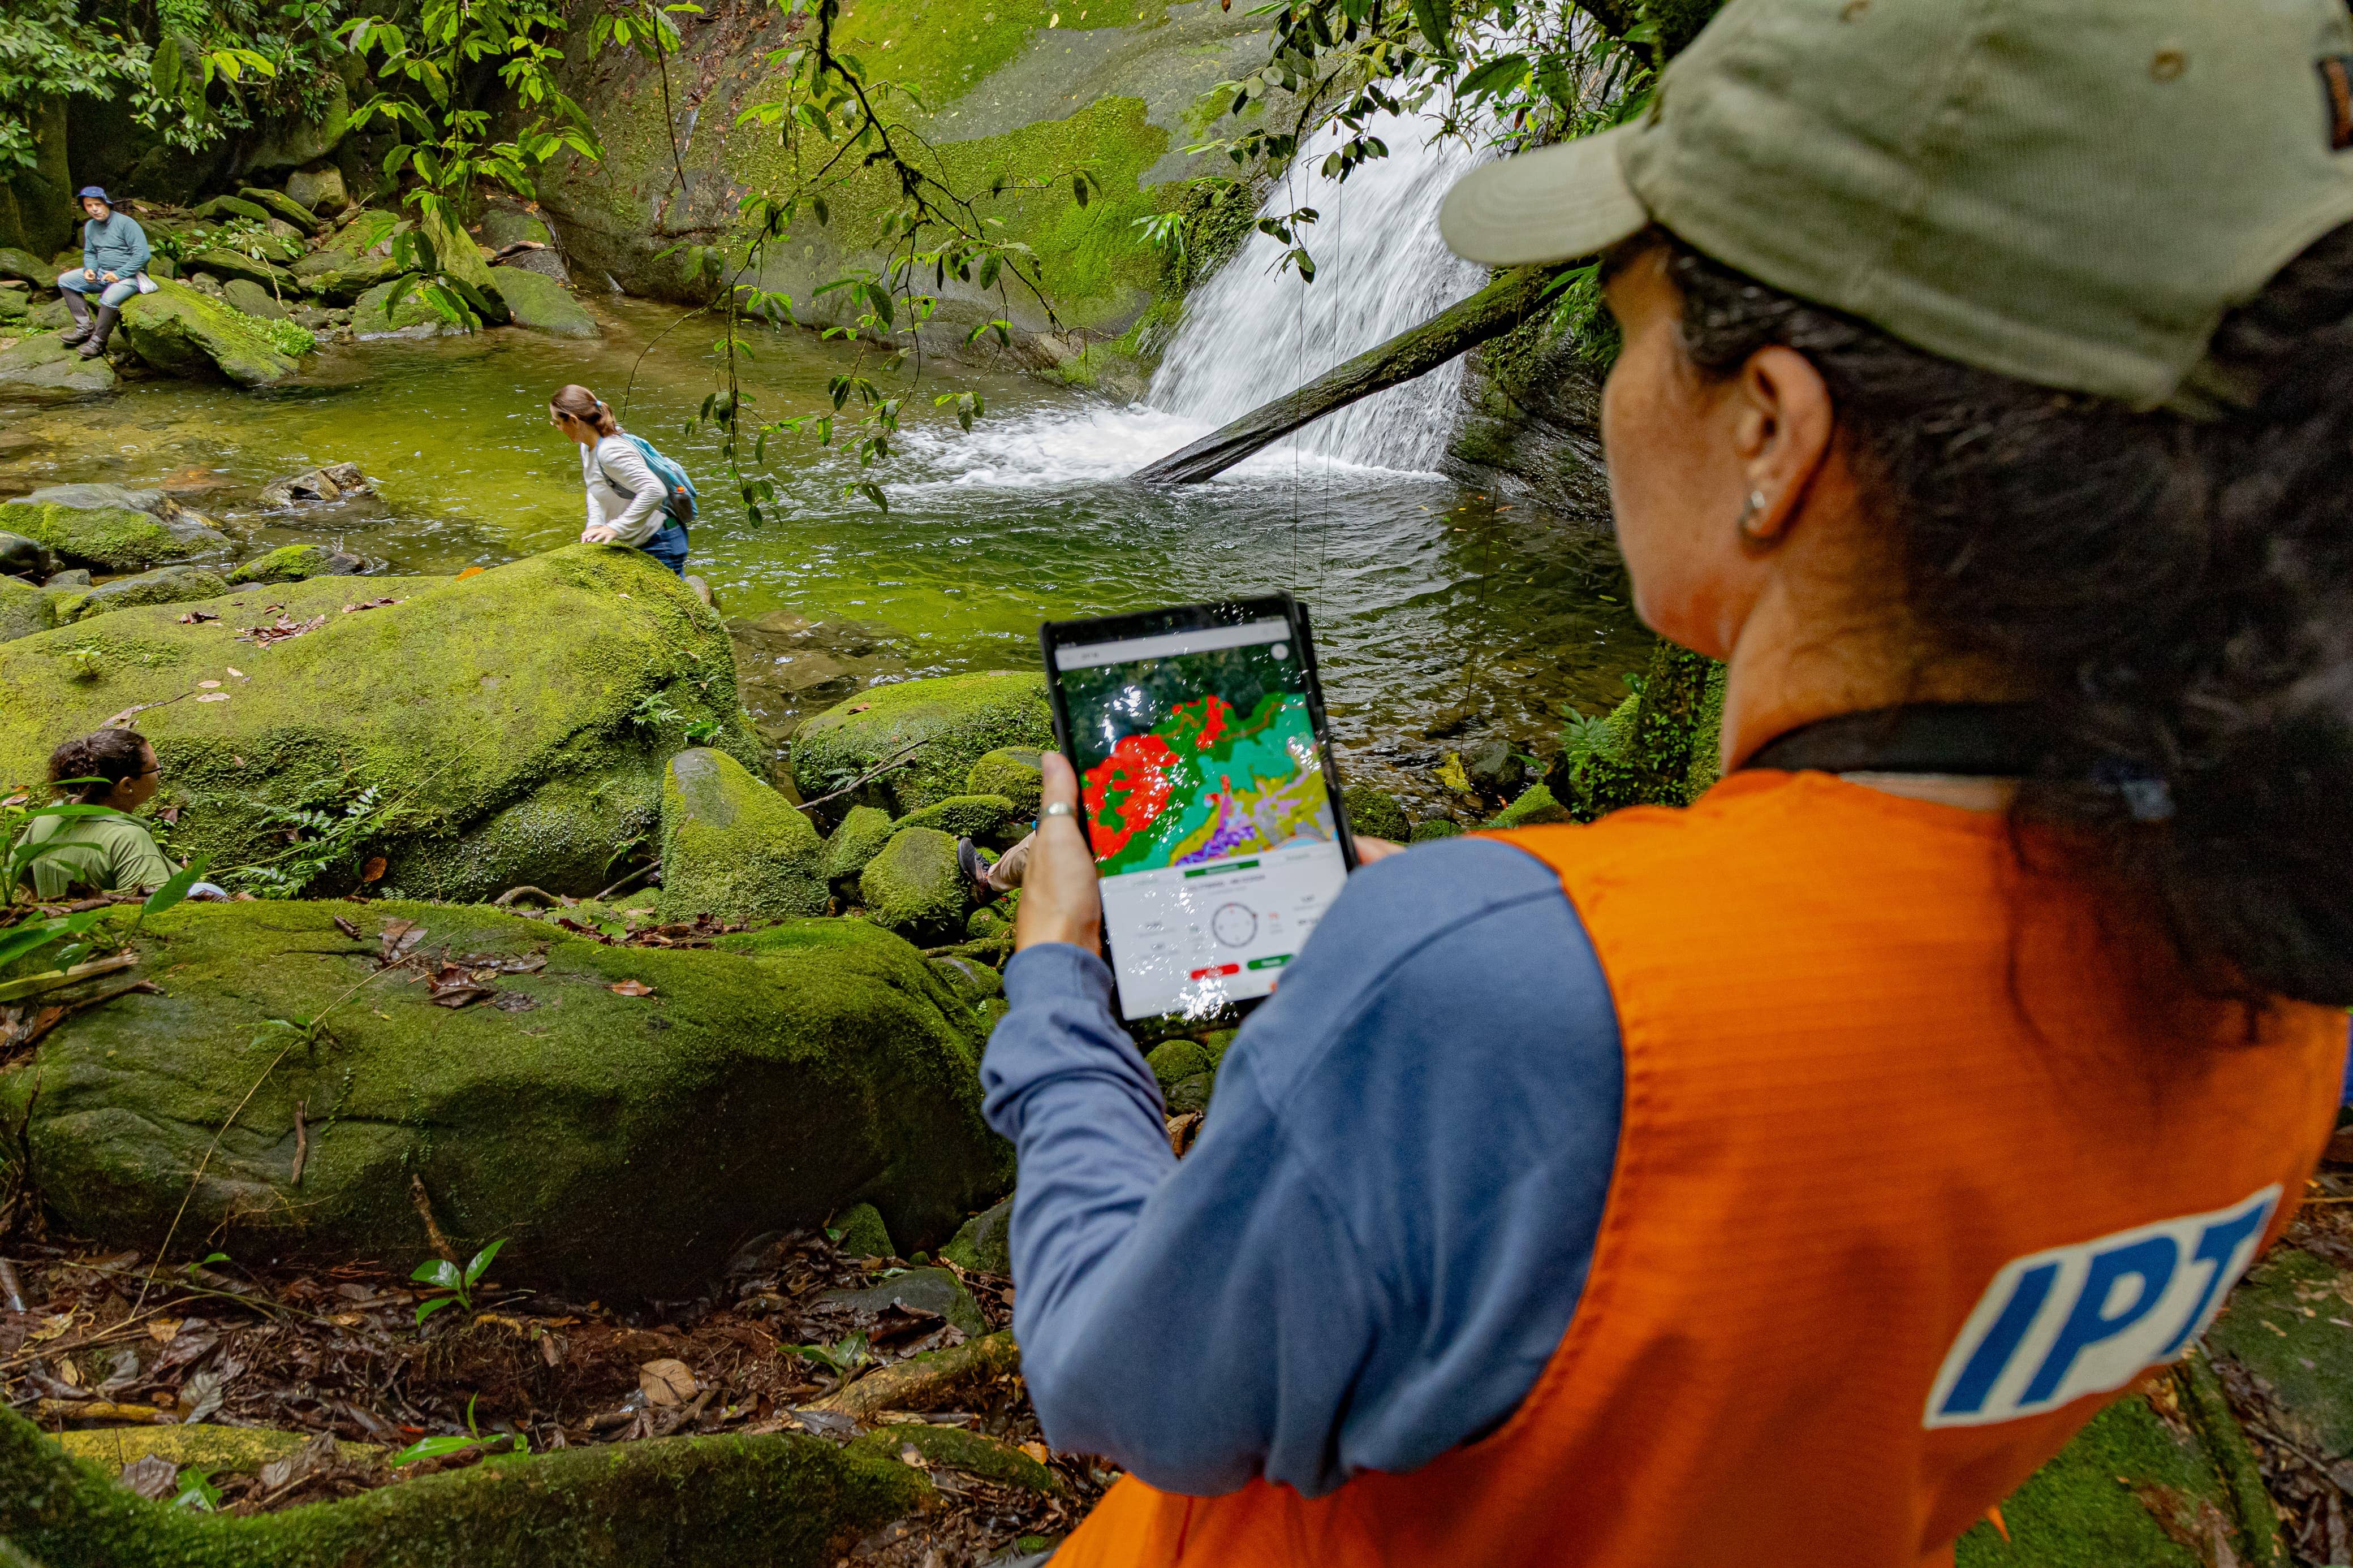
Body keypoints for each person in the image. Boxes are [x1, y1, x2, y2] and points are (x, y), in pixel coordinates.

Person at [978, 2, 2353, 1565]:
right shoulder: (2284, 971)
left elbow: (1112, 1385)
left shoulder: (1513, 996)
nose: (1620, 384)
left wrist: (1057, 996)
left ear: (1774, 431)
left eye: (1629, 328)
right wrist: (1490, 940)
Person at [13, 731, 225, 901]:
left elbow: (19, 875)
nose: (159, 773)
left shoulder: (46, 819)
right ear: (127, 785)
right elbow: (151, 910)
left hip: (60, 930)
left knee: (205, 887)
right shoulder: (128, 839)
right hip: (106, 944)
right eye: (153, 768)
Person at [548, 383, 705, 599]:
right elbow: (596, 488)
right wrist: (595, 523)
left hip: (660, 541)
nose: (556, 427)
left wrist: (614, 528)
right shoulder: (588, 445)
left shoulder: (611, 452)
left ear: (574, 421)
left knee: (667, 608)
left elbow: (654, 490)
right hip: (639, 539)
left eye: (557, 422)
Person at [55, 187, 149, 362]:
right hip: (103, 274)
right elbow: (90, 253)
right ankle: (84, 328)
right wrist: (89, 269)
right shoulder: (90, 226)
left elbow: (142, 256)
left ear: (107, 204)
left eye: (98, 204)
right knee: (65, 281)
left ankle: (98, 342)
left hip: (131, 277)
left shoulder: (126, 224)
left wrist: (120, 274)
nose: (94, 209)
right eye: (89, 206)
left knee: (109, 298)